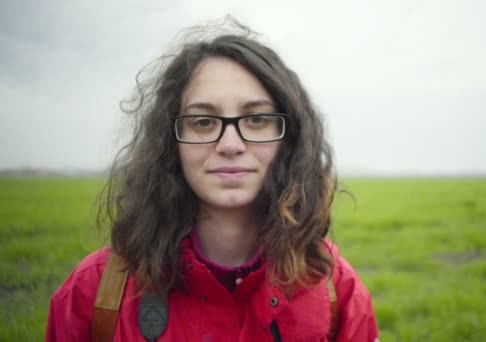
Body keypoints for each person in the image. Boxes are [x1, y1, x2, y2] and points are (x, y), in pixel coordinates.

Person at [46, 18, 379, 341]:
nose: (230, 145)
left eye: (257, 119)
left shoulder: (336, 287)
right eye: (203, 122)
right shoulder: (95, 290)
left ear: (288, 138)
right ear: (169, 141)